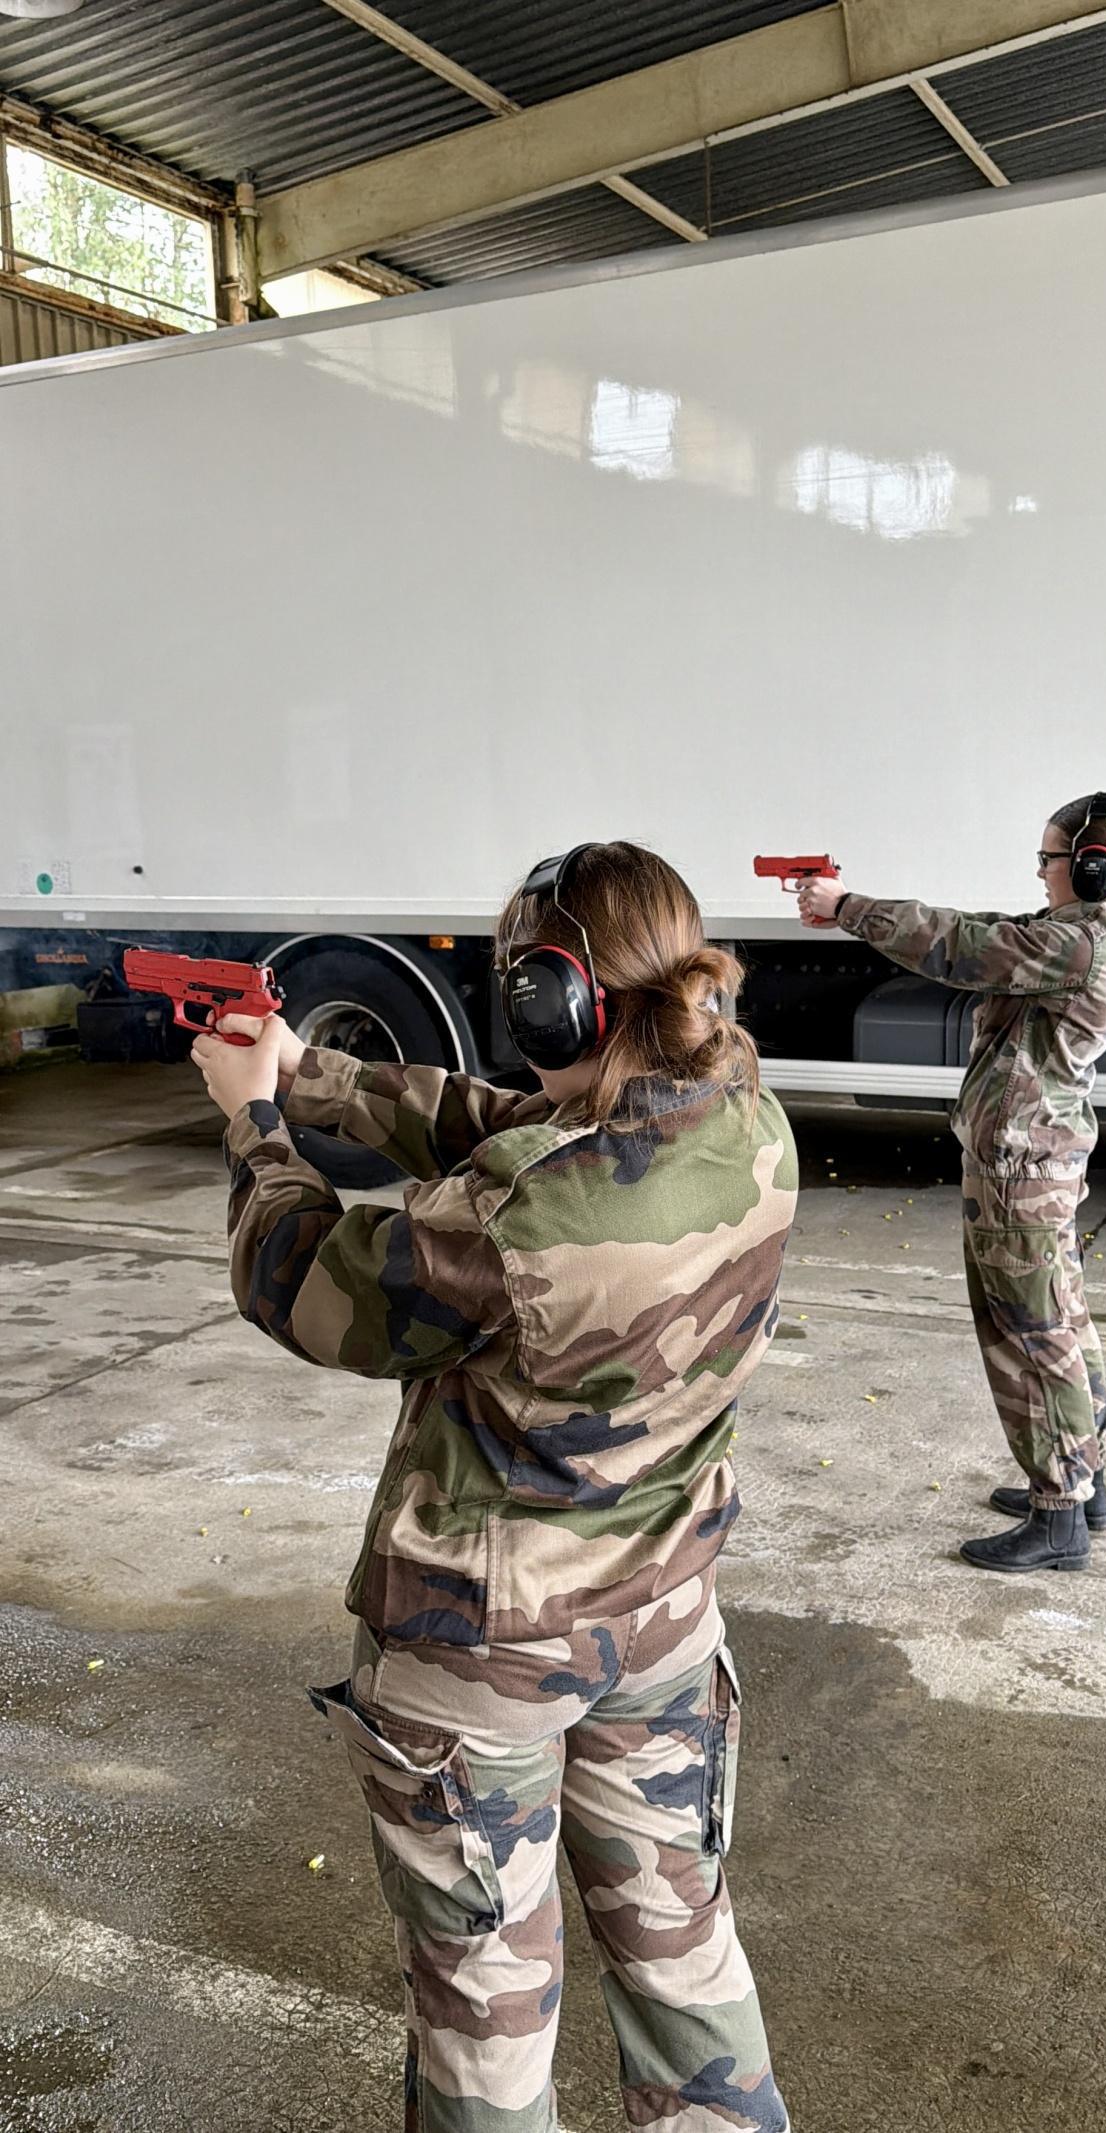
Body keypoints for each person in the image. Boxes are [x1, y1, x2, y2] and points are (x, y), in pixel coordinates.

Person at [191, 840, 798, 2132]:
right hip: (665, 1621)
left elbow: (300, 1281)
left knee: (487, 2009)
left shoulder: (521, 1219)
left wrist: (253, 1125)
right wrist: (316, 1075)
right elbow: (526, 1124)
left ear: (559, 1002)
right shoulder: (744, 1117)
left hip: (486, 1657)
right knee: (684, 1961)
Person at [796, 793, 1106, 1575]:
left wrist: (848, 908)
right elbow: (981, 928)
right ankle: (1081, 1476)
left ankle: (1059, 1510)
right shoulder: (1083, 932)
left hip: (1020, 1165)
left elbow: (959, 946)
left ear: (1093, 865)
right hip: (1037, 1158)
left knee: (1027, 1335)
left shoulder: (1080, 946)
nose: (1039, 871)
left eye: (1049, 859)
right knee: (1058, 1317)